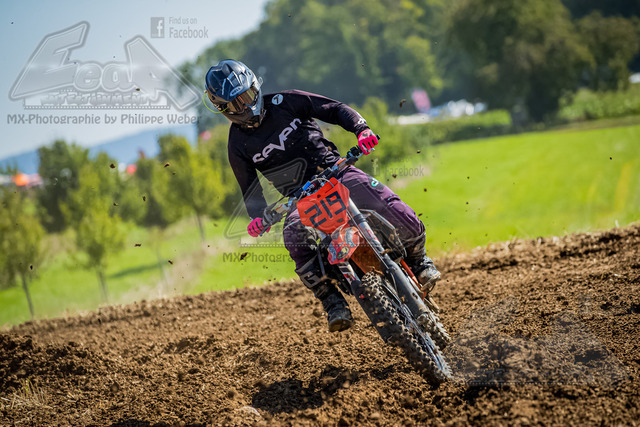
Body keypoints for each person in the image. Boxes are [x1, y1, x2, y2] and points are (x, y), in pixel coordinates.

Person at [205, 59, 440, 332]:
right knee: (293, 236)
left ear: (256, 87)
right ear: (224, 110)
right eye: (235, 104)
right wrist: (258, 217)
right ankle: (332, 302)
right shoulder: (237, 144)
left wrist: (361, 129)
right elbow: (250, 189)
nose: (245, 107)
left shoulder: (287, 101)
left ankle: (419, 260)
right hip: (298, 198)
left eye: (246, 96)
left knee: (388, 205)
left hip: (336, 172)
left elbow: (335, 109)